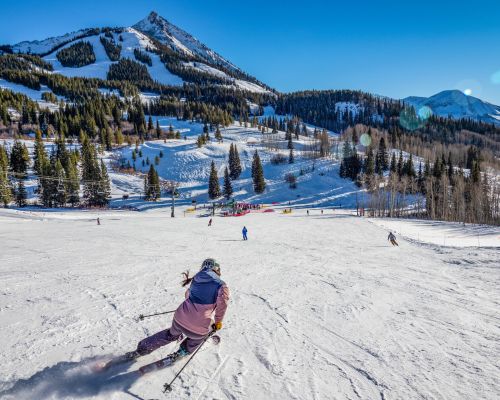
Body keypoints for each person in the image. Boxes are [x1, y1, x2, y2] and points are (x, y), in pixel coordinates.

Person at [129, 259, 230, 360]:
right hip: (199, 325)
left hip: (179, 317)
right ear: (216, 269)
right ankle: (182, 352)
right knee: (206, 331)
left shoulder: (196, 278)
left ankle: (142, 349)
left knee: (171, 334)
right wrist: (218, 322)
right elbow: (222, 305)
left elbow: (188, 295)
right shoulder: (221, 284)